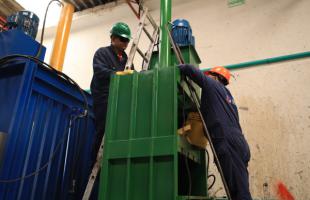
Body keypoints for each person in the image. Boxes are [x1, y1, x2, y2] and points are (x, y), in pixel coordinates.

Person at [178, 64, 252, 200]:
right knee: (240, 186)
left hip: (226, 140)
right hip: (239, 142)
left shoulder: (212, 84)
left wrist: (176, 68)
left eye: (210, 74)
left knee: (239, 192)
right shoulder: (228, 97)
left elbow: (190, 69)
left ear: (217, 77)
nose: (208, 76)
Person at [90, 22, 132, 159]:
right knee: (102, 130)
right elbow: (99, 71)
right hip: (104, 98)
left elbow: (131, 74)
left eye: (127, 40)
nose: (126, 43)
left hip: (119, 99)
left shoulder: (126, 58)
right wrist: (117, 75)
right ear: (113, 38)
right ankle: (95, 163)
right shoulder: (102, 53)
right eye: (122, 39)